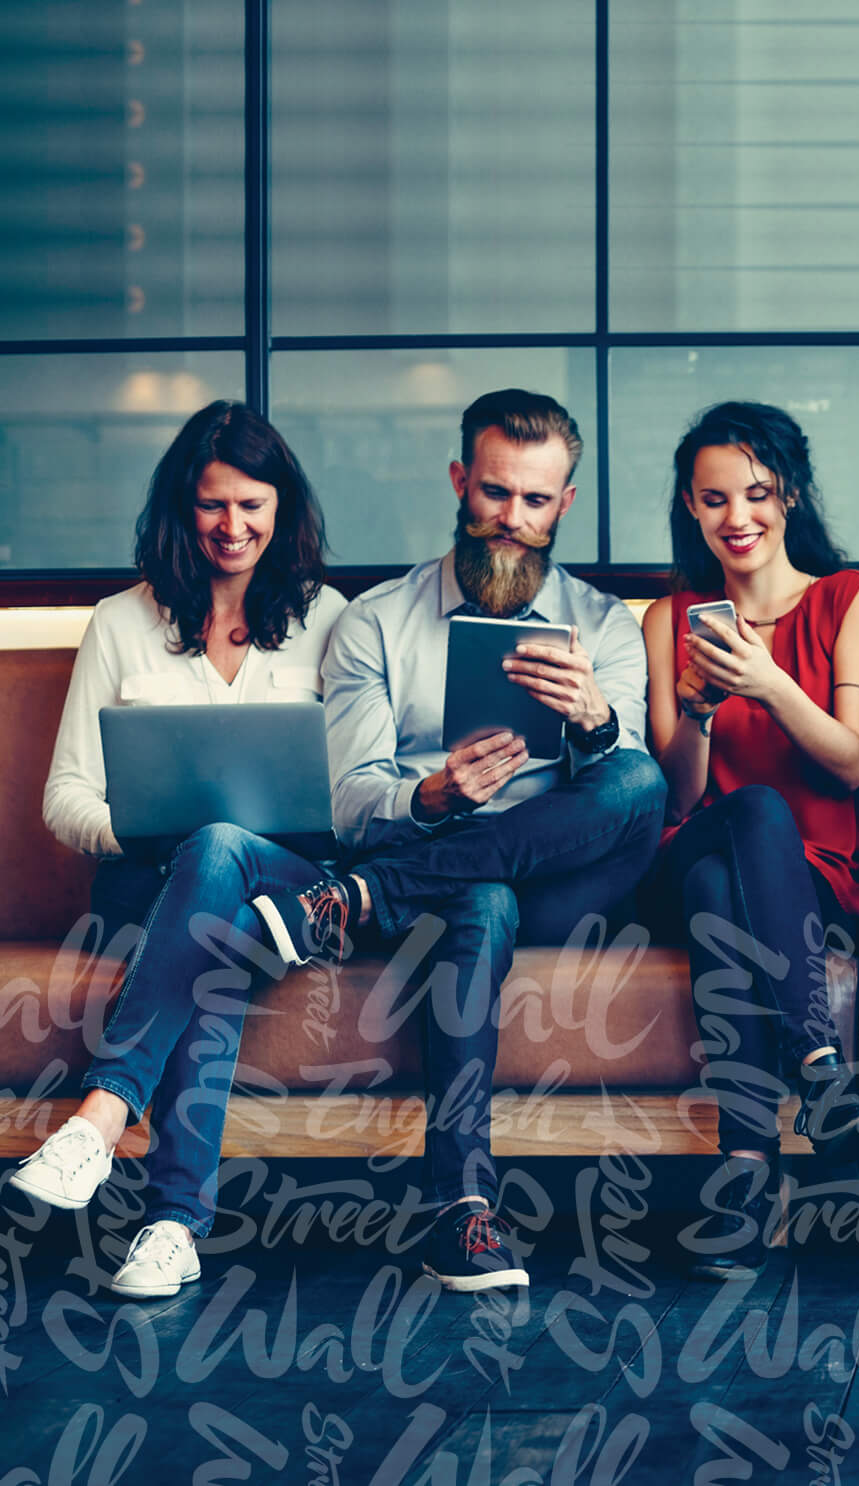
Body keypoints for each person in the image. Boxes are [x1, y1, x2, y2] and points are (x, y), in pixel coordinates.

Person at [248, 388, 667, 1293]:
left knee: (636, 775)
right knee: (481, 894)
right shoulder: (375, 622)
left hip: (568, 880)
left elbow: (626, 795)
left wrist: (594, 722)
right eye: (494, 493)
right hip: (456, 886)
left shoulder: (605, 626)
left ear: (564, 505)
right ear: (458, 482)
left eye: (535, 500)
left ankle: (356, 901)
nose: (510, 521)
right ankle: (461, 1208)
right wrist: (434, 795)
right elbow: (350, 803)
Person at [10, 401, 347, 1299]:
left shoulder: (330, 621)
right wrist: (142, 829)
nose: (232, 528)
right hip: (160, 889)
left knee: (226, 853)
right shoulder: (120, 623)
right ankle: (170, 1228)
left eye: (252, 505)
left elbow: (361, 795)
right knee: (212, 905)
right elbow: (65, 797)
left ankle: (100, 1118)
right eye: (212, 507)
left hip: (293, 887)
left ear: (283, 509)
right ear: (180, 508)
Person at [639, 401, 859, 1281]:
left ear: (787, 496)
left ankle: (745, 1170)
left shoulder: (848, 599)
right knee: (736, 823)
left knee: (737, 859)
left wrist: (771, 683)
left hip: (810, 877)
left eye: (756, 495)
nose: (736, 519)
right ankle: (819, 1066)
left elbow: (852, 764)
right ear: (690, 506)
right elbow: (678, 792)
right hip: (692, 849)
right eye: (713, 501)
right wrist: (703, 710)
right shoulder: (668, 619)